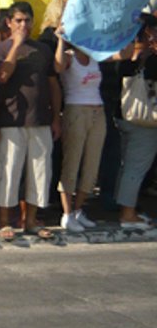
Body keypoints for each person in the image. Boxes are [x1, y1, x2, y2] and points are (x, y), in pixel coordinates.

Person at [0, 1, 61, 240]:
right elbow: (2, 76)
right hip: (11, 120)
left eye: (27, 20)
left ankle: (30, 220)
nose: (23, 24)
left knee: (40, 171)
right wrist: (16, 45)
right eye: (18, 20)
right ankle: (4, 221)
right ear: (9, 23)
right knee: (9, 171)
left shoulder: (43, 49)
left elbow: (53, 84)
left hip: (40, 119)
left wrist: (56, 117)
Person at [109, 15, 157, 232]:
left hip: (125, 115)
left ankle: (127, 207)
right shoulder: (150, 57)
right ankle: (128, 213)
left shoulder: (126, 54)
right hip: (144, 121)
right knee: (135, 168)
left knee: (127, 166)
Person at [54, 29, 105, 233]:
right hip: (76, 110)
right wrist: (61, 40)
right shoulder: (68, 57)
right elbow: (57, 67)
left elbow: (124, 54)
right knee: (72, 162)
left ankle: (78, 210)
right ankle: (66, 214)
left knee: (92, 164)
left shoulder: (94, 55)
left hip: (97, 111)